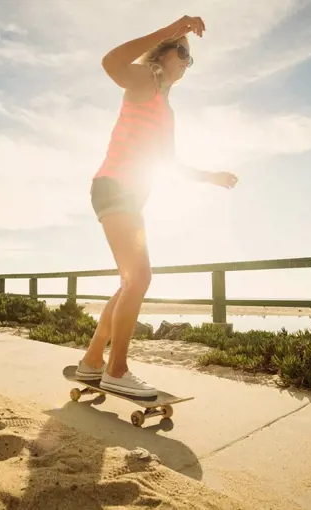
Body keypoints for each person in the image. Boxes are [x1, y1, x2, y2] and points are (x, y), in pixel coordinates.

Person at [75, 16, 239, 397]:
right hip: (114, 187)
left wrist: (210, 176)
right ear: (163, 53)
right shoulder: (143, 81)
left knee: (129, 283)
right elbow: (110, 63)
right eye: (182, 52)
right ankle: (117, 370)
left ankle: (93, 362)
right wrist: (169, 30)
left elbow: (169, 164)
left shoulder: (166, 108)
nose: (186, 61)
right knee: (140, 278)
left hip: (131, 197)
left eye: (189, 58)